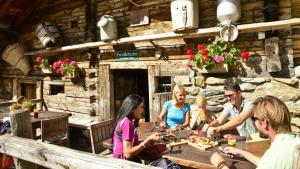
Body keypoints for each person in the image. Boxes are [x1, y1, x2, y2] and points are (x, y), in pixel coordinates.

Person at [210, 95, 300, 169]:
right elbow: (266, 164)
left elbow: (270, 163)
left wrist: (221, 165)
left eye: (253, 118)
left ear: (264, 123)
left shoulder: (275, 154)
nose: (253, 121)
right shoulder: (291, 141)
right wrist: (242, 153)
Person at [112, 94, 160, 162]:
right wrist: (146, 142)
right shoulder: (127, 123)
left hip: (122, 159)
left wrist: (147, 142)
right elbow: (128, 153)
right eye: (141, 107)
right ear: (133, 108)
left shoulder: (128, 120)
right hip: (123, 162)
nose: (142, 110)